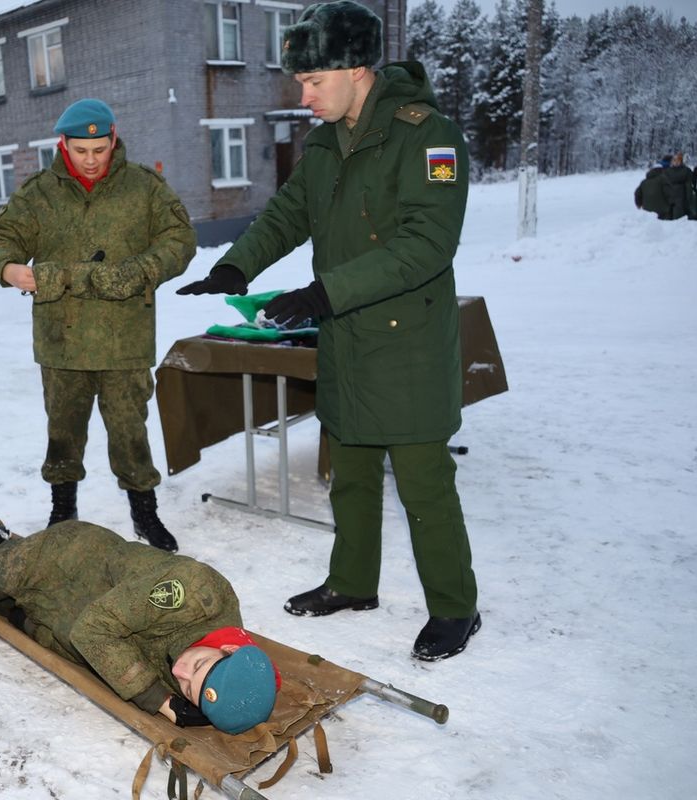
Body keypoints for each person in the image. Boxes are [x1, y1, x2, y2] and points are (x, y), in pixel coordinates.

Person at [176, 1, 480, 662]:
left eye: (313, 81)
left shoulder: (427, 136)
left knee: (424, 486)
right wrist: (235, 265)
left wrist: (323, 292)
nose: (303, 94)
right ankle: (351, 583)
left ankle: (456, 608)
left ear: (356, 69)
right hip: (345, 336)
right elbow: (291, 212)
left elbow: (426, 245)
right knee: (352, 472)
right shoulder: (324, 140)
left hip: (406, 343)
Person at [0, 98, 197, 552]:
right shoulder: (39, 193)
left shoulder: (144, 187)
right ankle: (63, 508)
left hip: (124, 340)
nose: (92, 159)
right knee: (62, 430)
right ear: (64, 145)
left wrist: (140, 270)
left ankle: (145, 511)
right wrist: (10, 270)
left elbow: (180, 240)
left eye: (99, 148)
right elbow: (0, 239)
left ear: (113, 139)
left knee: (129, 431)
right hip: (62, 338)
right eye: (81, 150)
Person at [0, 520, 279, 735]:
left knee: (4, 608)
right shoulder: (192, 592)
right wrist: (160, 700)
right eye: (195, 666)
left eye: (188, 689)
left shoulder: (232, 661)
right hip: (56, 559)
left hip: (63, 609)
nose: (180, 672)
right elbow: (93, 631)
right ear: (228, 649)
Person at [661, 152, 697, 221]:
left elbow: (691, 180)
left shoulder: (686, 170)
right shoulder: (668, 171)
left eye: (678, 161)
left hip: (681, 194)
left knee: (679, 212)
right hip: (670, 193)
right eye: (674, 161)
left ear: (681, 161)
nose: (676, 162)